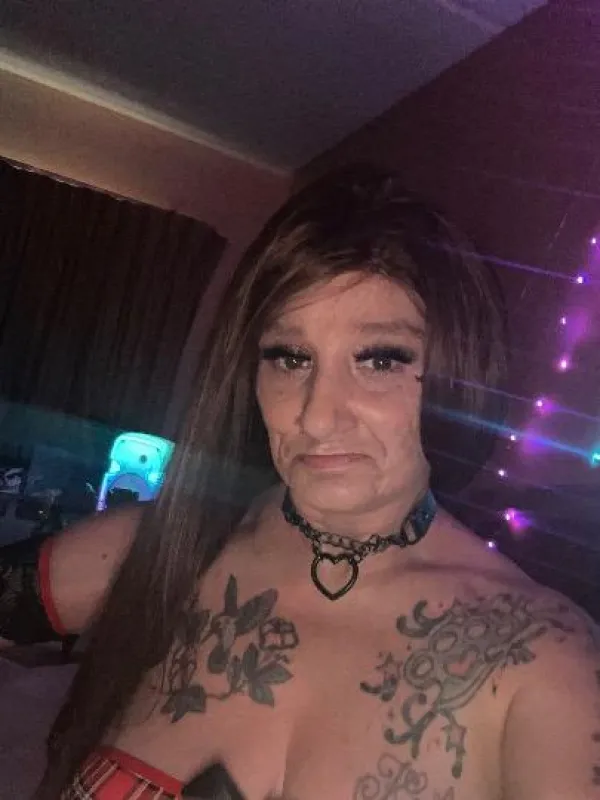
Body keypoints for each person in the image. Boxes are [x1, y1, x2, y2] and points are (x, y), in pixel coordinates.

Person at [1, 164, 598, 799]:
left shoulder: (540, 657)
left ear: (461, 373)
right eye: (290, 358)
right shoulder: (157, 551)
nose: (315, 415)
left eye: (379, 359)